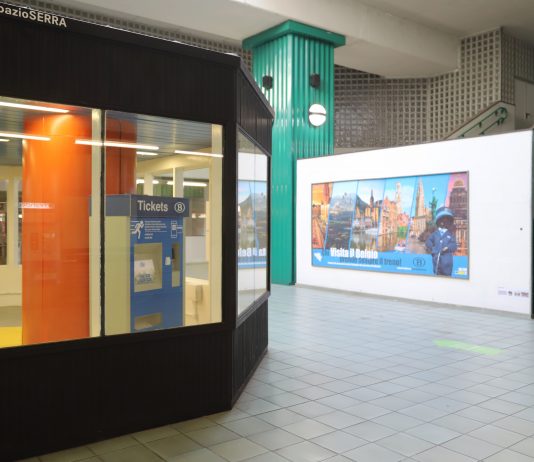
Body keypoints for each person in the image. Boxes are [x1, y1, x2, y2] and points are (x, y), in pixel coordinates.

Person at [425, 207, 457, 276]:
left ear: (450, 222)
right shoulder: (435, 234)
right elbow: (428, 241)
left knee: (447, 278)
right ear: (439, 221)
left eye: (447, 220)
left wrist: (448, 247)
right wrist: (433, 248)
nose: (444, 222)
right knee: (437, 276)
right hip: (436, 262)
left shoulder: (450, 235)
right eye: (442, 220)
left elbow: (454, 245)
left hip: (447, 264)